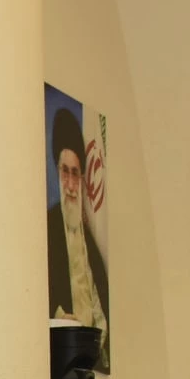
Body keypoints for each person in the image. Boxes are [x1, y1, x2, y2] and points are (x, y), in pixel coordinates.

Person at [46, 103, 108, 335]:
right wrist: (59, 316)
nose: (71, 186)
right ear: (58, 171)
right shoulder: (48, 227)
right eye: (65, 172)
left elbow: (100, 297)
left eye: (75, 174)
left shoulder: (87, 236)